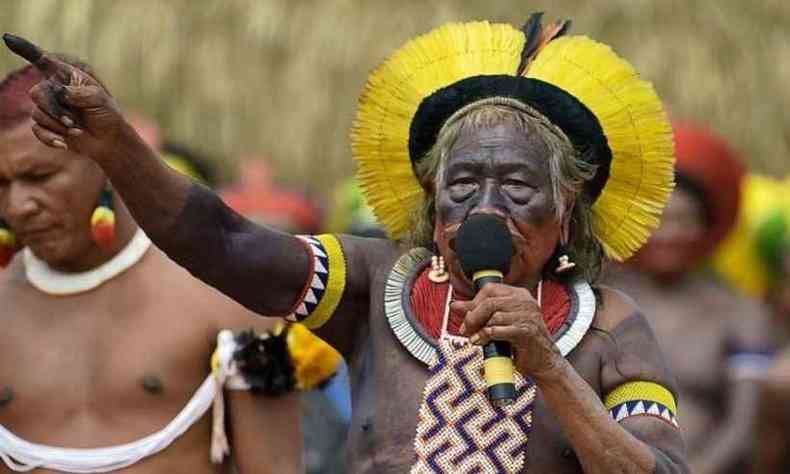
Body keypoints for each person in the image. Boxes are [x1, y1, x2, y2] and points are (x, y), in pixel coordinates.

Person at [5, 13, 690, 473]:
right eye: (461, 184)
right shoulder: (376, 285)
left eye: (516, 185)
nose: (483, 208)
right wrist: (117, 145)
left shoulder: (609, 329)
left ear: (566, 208)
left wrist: (545, 364)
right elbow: (221, 241)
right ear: (428, 197)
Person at [0, 61, 318, 473]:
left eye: (40, 176)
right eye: (1, 184)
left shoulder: (227, 299)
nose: (17, 206)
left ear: (105, 161)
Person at [605, 122, 774, 474]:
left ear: (706, 228)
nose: (669, 234)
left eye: (684, 221)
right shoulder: (601, 300)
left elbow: (742, 427)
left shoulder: (738, 313)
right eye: (659, 221)